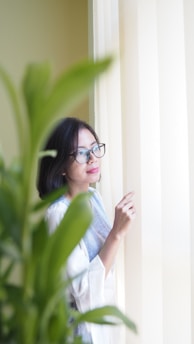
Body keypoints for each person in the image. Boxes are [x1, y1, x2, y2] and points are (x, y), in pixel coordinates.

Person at [37, 117, 136, 344]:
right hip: (79, 333)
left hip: (102, 325)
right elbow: (83, 292)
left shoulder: (93, 196)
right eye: (82, 153)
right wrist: (116, 234)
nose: (93, 158)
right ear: (61, 166)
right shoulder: (58, 215)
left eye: (95, 148)